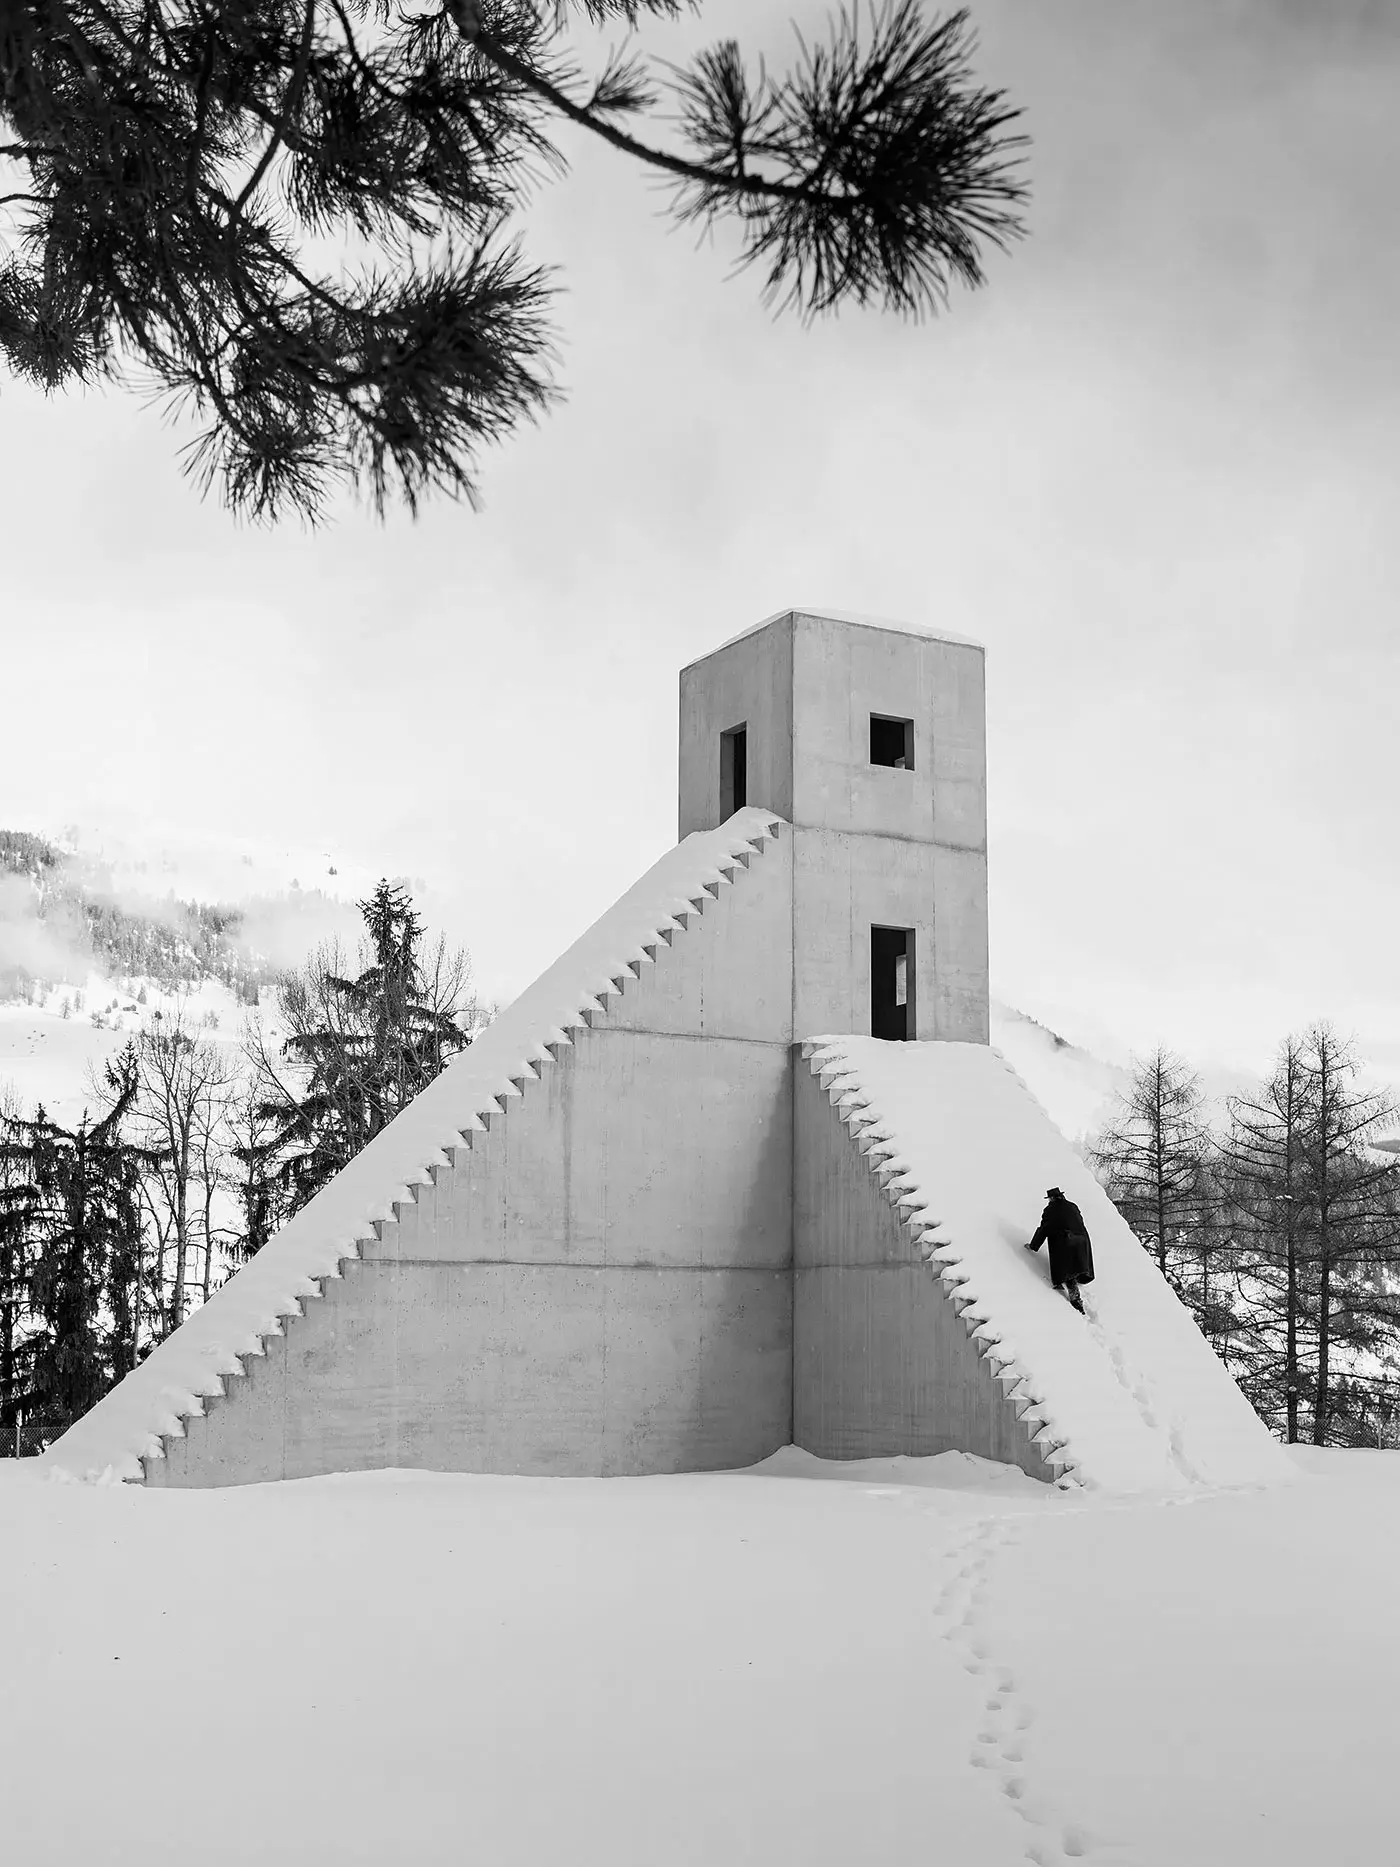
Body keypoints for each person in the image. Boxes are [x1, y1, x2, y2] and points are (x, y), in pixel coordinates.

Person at [1026, 1187, 1095, 1314]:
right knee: (1078, 1263)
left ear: (1052, 1198)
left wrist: (1033, 1246)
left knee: (1068, 1271)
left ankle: (1076, 1300)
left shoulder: (1050, 1210)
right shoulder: (1072, 1206)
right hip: (1081, 1239)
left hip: (1066, 1241)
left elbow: (1044, 1229)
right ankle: (1081, 1279)